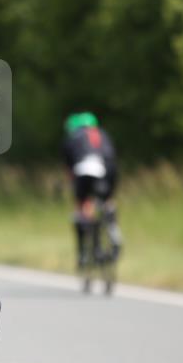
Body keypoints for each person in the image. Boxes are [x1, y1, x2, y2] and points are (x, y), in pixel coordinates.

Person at [62, 112, 122, 267]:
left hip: (83, 171)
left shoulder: (73, 137)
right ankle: (113, 228)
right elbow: (112, 156)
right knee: (107, 201)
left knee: (83, 207)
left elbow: (69, 168)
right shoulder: (102, 134)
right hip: (107, 171)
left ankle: (83, 252)